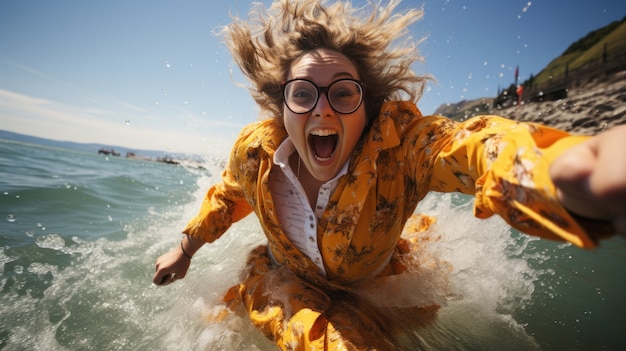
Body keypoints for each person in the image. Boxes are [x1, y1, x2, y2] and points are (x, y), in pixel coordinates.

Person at [153, 0, 626, 349]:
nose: (322, 109)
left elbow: (466, 146)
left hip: (375, 278)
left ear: (367, 108)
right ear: (283, 106)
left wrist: (556, 170)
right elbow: (228, 195)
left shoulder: (400, 149)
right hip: (283, 275)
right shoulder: (255, 153)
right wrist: (184, 248)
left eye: (342, 94)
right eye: (302, 94)